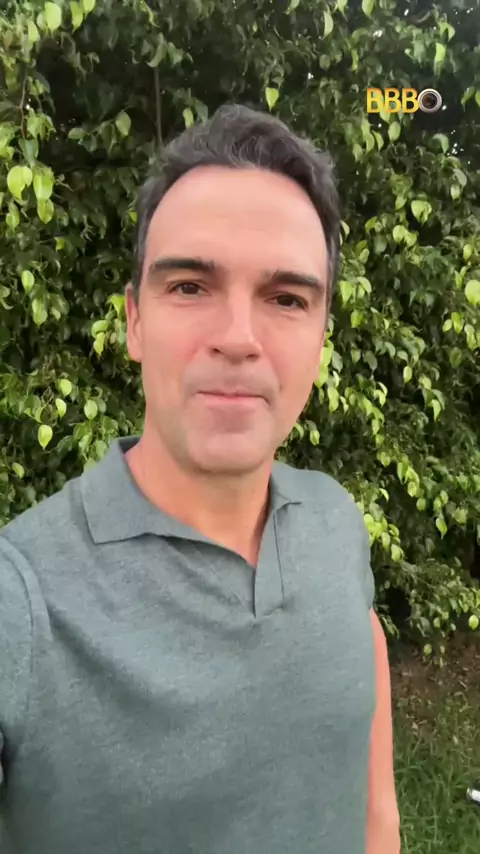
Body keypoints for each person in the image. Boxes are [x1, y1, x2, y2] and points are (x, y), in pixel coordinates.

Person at [0, 103, 400, 854]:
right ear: (134, 321)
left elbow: (374, 800)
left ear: (321, 337)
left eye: (286, 299)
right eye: (190, 286)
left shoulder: (335, 520)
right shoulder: (21, 599)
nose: (238, 339)